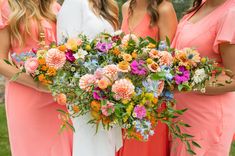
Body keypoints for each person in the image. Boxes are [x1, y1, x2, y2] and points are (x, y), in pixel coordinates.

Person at [0, 0, 72, 155]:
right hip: (26, 95)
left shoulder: (54, 6)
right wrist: (37, 84)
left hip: (58, 97)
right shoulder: (6, 6)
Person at [57, 0, 122, 156]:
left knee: (105, 146)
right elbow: (68, 50)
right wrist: (94, 85)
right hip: (86, 94)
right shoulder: (74, 3)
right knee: (92, 147)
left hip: (106, 90)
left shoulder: (103, 5)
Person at [171, 0, 235, 155]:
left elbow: (233, 78)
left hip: (207, 117)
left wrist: (185, 84)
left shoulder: (231, 13)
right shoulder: (201, 5)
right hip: (182, 114)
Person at [117, 0, 178, 156]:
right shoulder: (126, 7)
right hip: (124, 99)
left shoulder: (163, 9)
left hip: (150, 102)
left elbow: (167, 59)